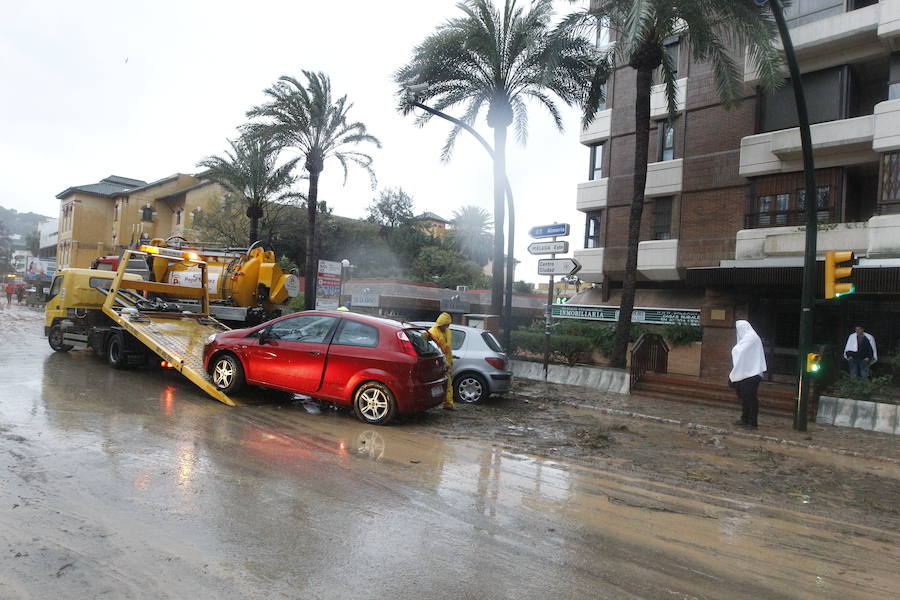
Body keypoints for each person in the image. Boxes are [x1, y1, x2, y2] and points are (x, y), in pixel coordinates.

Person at [729, 320, 767, 430]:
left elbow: (739, 351)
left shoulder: (751, 338)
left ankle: (752, 422)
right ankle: (745, 418)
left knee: (750, 398)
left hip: (753, 373)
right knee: (745, 397)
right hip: (746, 373)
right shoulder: (747, 338)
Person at [428, 312, 455, 410]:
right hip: (438, 362)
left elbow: (448, 348)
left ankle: (448, 403)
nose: (447, 326)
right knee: (436, 384)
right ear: (441, 324)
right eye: (446, 325)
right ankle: (434, 402)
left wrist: (450, 361)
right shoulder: (433, 332)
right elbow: (432, 348)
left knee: (448, 384)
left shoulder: (447, 331)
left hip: (445, 361)